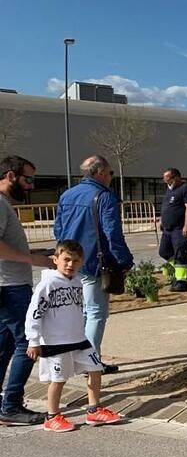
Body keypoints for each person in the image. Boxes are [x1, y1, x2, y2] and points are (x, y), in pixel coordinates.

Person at [26, 240, 124, 432]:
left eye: (76, 261)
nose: (71, 264)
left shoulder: (78, 281)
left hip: (79, 339)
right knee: (59, 379)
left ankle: (94, 409)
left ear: (81, 262)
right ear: (55, 260)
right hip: (56, 341)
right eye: (66, 260)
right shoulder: (48, 284)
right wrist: (33, 340)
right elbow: (34, 312)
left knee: (95, 368)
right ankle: (52, 416)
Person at [53, 155, 133, 375]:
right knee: (96, 313)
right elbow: (112, 234)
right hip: (94, 264)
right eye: (110, 173)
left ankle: (82, 359)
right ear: (99, 172)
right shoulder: (104, 196)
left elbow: (58, 230)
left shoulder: (68, 194)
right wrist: (124, 260)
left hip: (70, 263)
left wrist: (64, 258)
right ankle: (90, 363)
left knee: (83, 314)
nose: (110, 178)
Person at [0, 155, 54, 425]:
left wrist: (32, 252)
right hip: (9, 286)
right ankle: (10, 406)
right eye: (27, 178)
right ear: (10, 176)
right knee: (29, 343)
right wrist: (31, 259)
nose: (31, 185)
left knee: (5, 345)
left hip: (8, 284)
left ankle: (5, 405)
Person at [158, 168, 187, 292]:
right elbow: (166, 207)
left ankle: (181, 281)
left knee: (180, 253)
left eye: (168, 179)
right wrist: (161, 220)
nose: (166, 181)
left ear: (176, 177)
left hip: (180, 228)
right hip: (168, 228)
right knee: (164, 252)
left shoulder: (185, 189)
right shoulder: (169, 190)